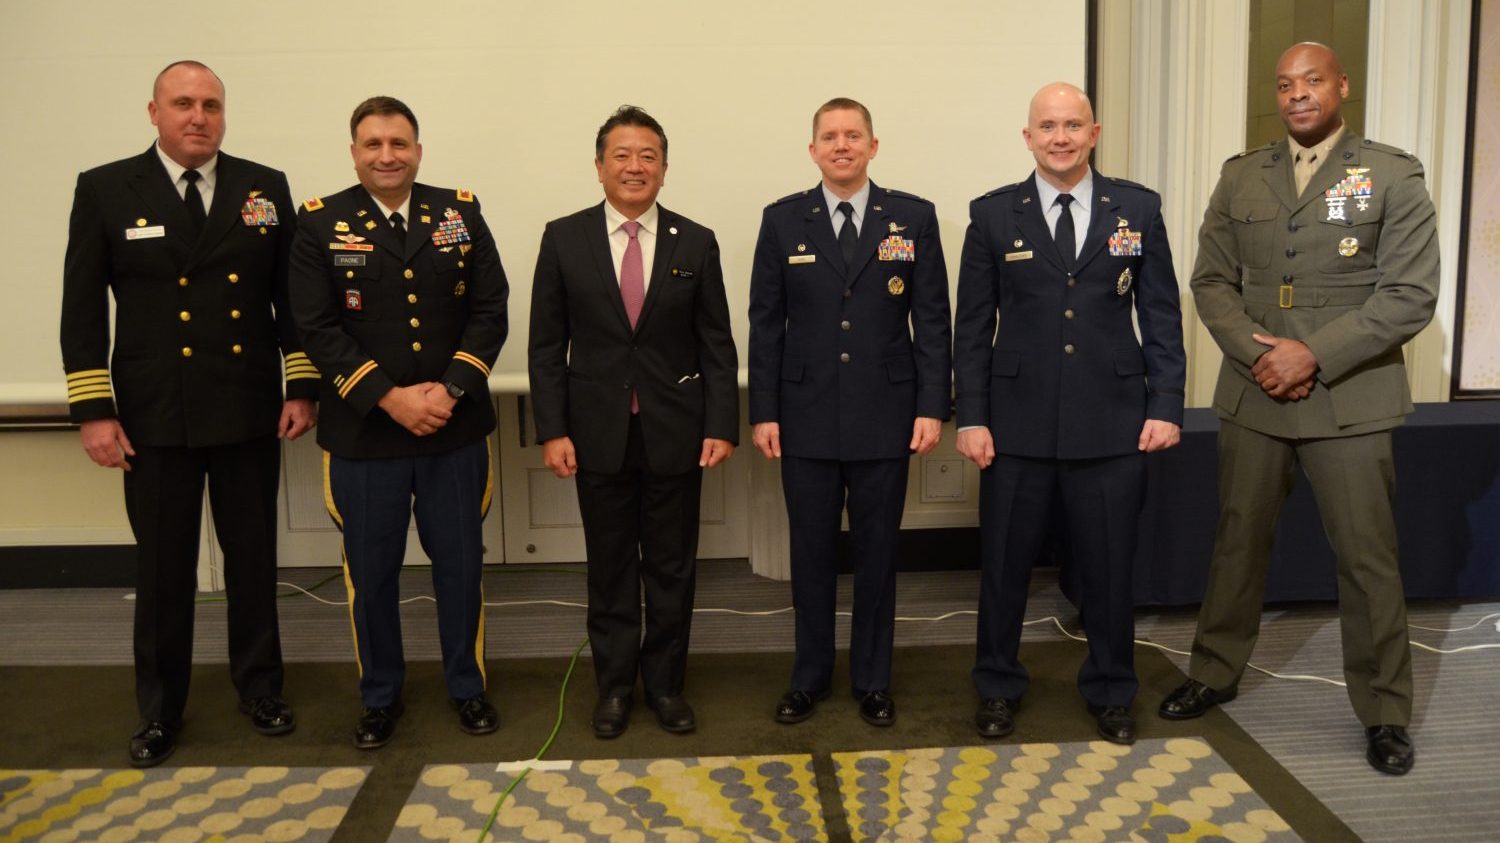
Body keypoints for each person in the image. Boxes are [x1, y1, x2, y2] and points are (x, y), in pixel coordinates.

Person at [1159, 43, 1438, 776]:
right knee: (1237, 541)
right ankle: (1214, 670)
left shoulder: (1392, 173)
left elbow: (1410, 293)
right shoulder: (1241, 173)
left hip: (1350, 396)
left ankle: (1384, 711)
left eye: (1312, 82)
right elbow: (1211, 279)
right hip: (1257, 392)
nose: (1297, 95)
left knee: (1367, 557)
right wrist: (1260, 355)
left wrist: (1310, 353)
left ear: (1342, 86)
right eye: (1285, 85)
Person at [60, 60, 317, 768]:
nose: (198, 116)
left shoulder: (263, 187)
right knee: (164, 568)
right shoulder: (108, 188)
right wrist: (92, 410)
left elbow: (291, 299)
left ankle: (261, 687)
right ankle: (160, 707)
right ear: (153, 112)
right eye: (182, 103)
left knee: (253, 559)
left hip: (244, 404)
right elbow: (82, 309)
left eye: (210, 104)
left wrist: (300, 385)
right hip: (153, 415)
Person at [953, 82, 1186, 745]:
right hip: (1014, 426)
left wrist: (1166, 402)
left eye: (1072, 125)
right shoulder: (995, 215)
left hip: (1113, 421)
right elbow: (973, 327)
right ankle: (997, 684)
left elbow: (1162, 314)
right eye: (1047, 125)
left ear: (1094, 132)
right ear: (1027, 136)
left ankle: (1112, 689)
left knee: (1110, 569)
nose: (1060, 136)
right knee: (1003, 567)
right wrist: (971, 415)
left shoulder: (1137, 208)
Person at [288, 96, 509, 749]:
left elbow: (491, 309)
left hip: (454, 426)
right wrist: (391, 398)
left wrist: (451, 387)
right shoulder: (319, 223)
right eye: (373, 144)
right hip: (364, 434)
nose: (387, 155)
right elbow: (316, 327)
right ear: (354, 151)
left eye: (399, 143)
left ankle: (467, 687)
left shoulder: (459, 212)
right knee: (372, 572)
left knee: (460, 566)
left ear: (418, 149)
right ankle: (379, 696)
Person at [528, 106, 738, 739]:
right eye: (621, 155)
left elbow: (716, 344)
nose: (634, 166)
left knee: (672, 568)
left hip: (676, 431)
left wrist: (722, 423)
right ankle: (616, 688)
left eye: (648, 155)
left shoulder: (694, 241)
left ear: (665, 169)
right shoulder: (564, 238)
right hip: (596, 435)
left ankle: (668, 687)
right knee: (612, 567)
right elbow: (546, 346)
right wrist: (554, 429)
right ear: (599, 167)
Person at [748, 98, 952, 728]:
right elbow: (765, 324)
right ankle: (808, 677)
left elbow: (932, 320)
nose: (842, 145)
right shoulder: (783, 221)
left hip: (885, 415)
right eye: (830, 137)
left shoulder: (912, 218)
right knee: (809, 553)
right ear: (813, 150)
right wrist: (764, 410)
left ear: (873, 145)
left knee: (876, 554)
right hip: (804, 416)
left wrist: (931, 406)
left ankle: (872, 678)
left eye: (853, 135)